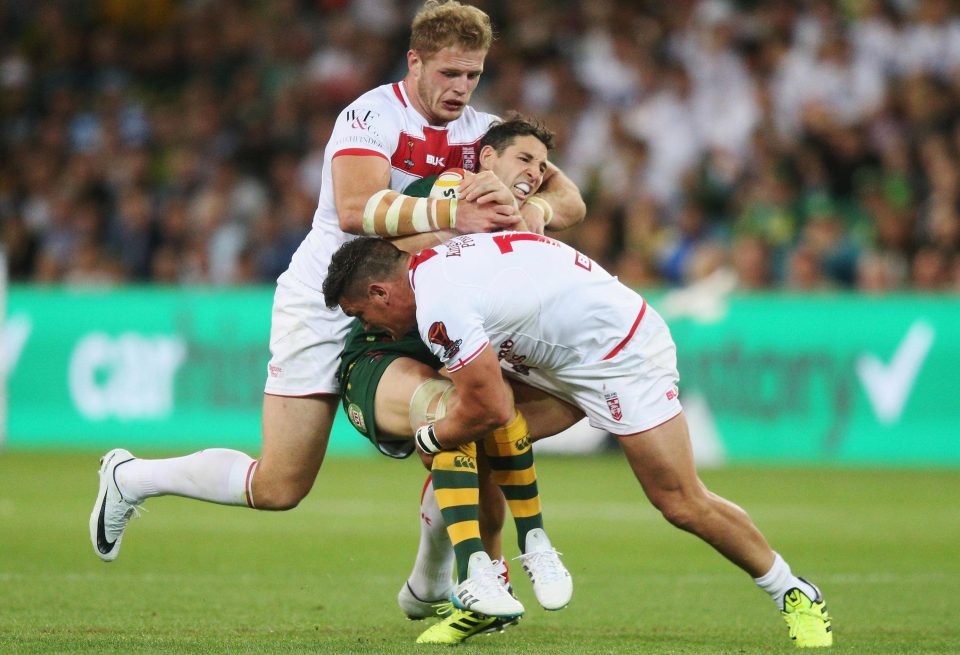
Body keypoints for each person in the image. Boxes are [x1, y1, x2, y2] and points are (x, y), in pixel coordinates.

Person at [89, 0, 585, 569]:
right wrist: (454, 214)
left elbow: (570, 198)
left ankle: (440, 581)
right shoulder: (370, 117)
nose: (462, 88)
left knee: (462, 423)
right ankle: (132, 477)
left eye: (473, 75)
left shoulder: (487, 134)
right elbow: (355, 210)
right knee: (280, 486)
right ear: (415, 62)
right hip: (326, 302)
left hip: (410, 308)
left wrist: (537, 211)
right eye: (450, 73)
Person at [322, 234, 835, 649]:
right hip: (559, 351)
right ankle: (488, 588)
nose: (374, 330)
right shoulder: (438, 262)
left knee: (679, 501)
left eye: (363, 316)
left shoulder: (440, 307)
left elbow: (491, 408)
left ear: (381, 293)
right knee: (471, 434)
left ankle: (794, 592)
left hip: (619, 356)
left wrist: (428, 437)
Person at [338, 116, 580, 643]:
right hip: (388, 347)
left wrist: (534, 207)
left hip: (450, 343)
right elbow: (365, 218)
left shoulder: (518, 209)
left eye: (543, 167)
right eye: (525, 161)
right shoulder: (456, 188)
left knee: (523, 412)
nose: (536, 173)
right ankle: (481, 568)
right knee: (459, 409)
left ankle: (474, 575)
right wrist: (450, 224)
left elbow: (574, 201)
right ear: (486, 160)